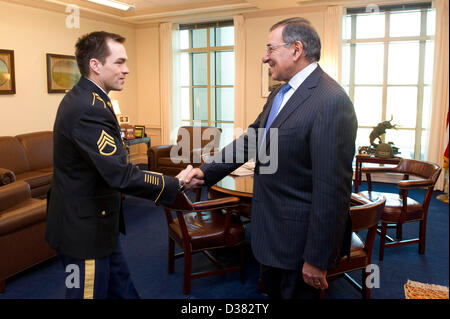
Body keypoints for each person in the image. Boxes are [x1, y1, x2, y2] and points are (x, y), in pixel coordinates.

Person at [184, 18, 357, 299]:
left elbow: (332, 190)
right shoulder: (280, 93)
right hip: (270, 234)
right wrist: (206, 172)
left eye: (270, 48)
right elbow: (252, 139)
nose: (265, 57)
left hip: (299, 245)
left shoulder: (331, 101)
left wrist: (317, 257)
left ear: (296, 50)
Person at [45, 31, 191, 299]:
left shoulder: (92, 98)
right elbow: (119, 174)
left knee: (122, 291)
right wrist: (175, 183)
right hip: (83, 234)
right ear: (96, 65)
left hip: (99, 227)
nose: (127, 69)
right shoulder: (87, 107)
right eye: (120, 62)